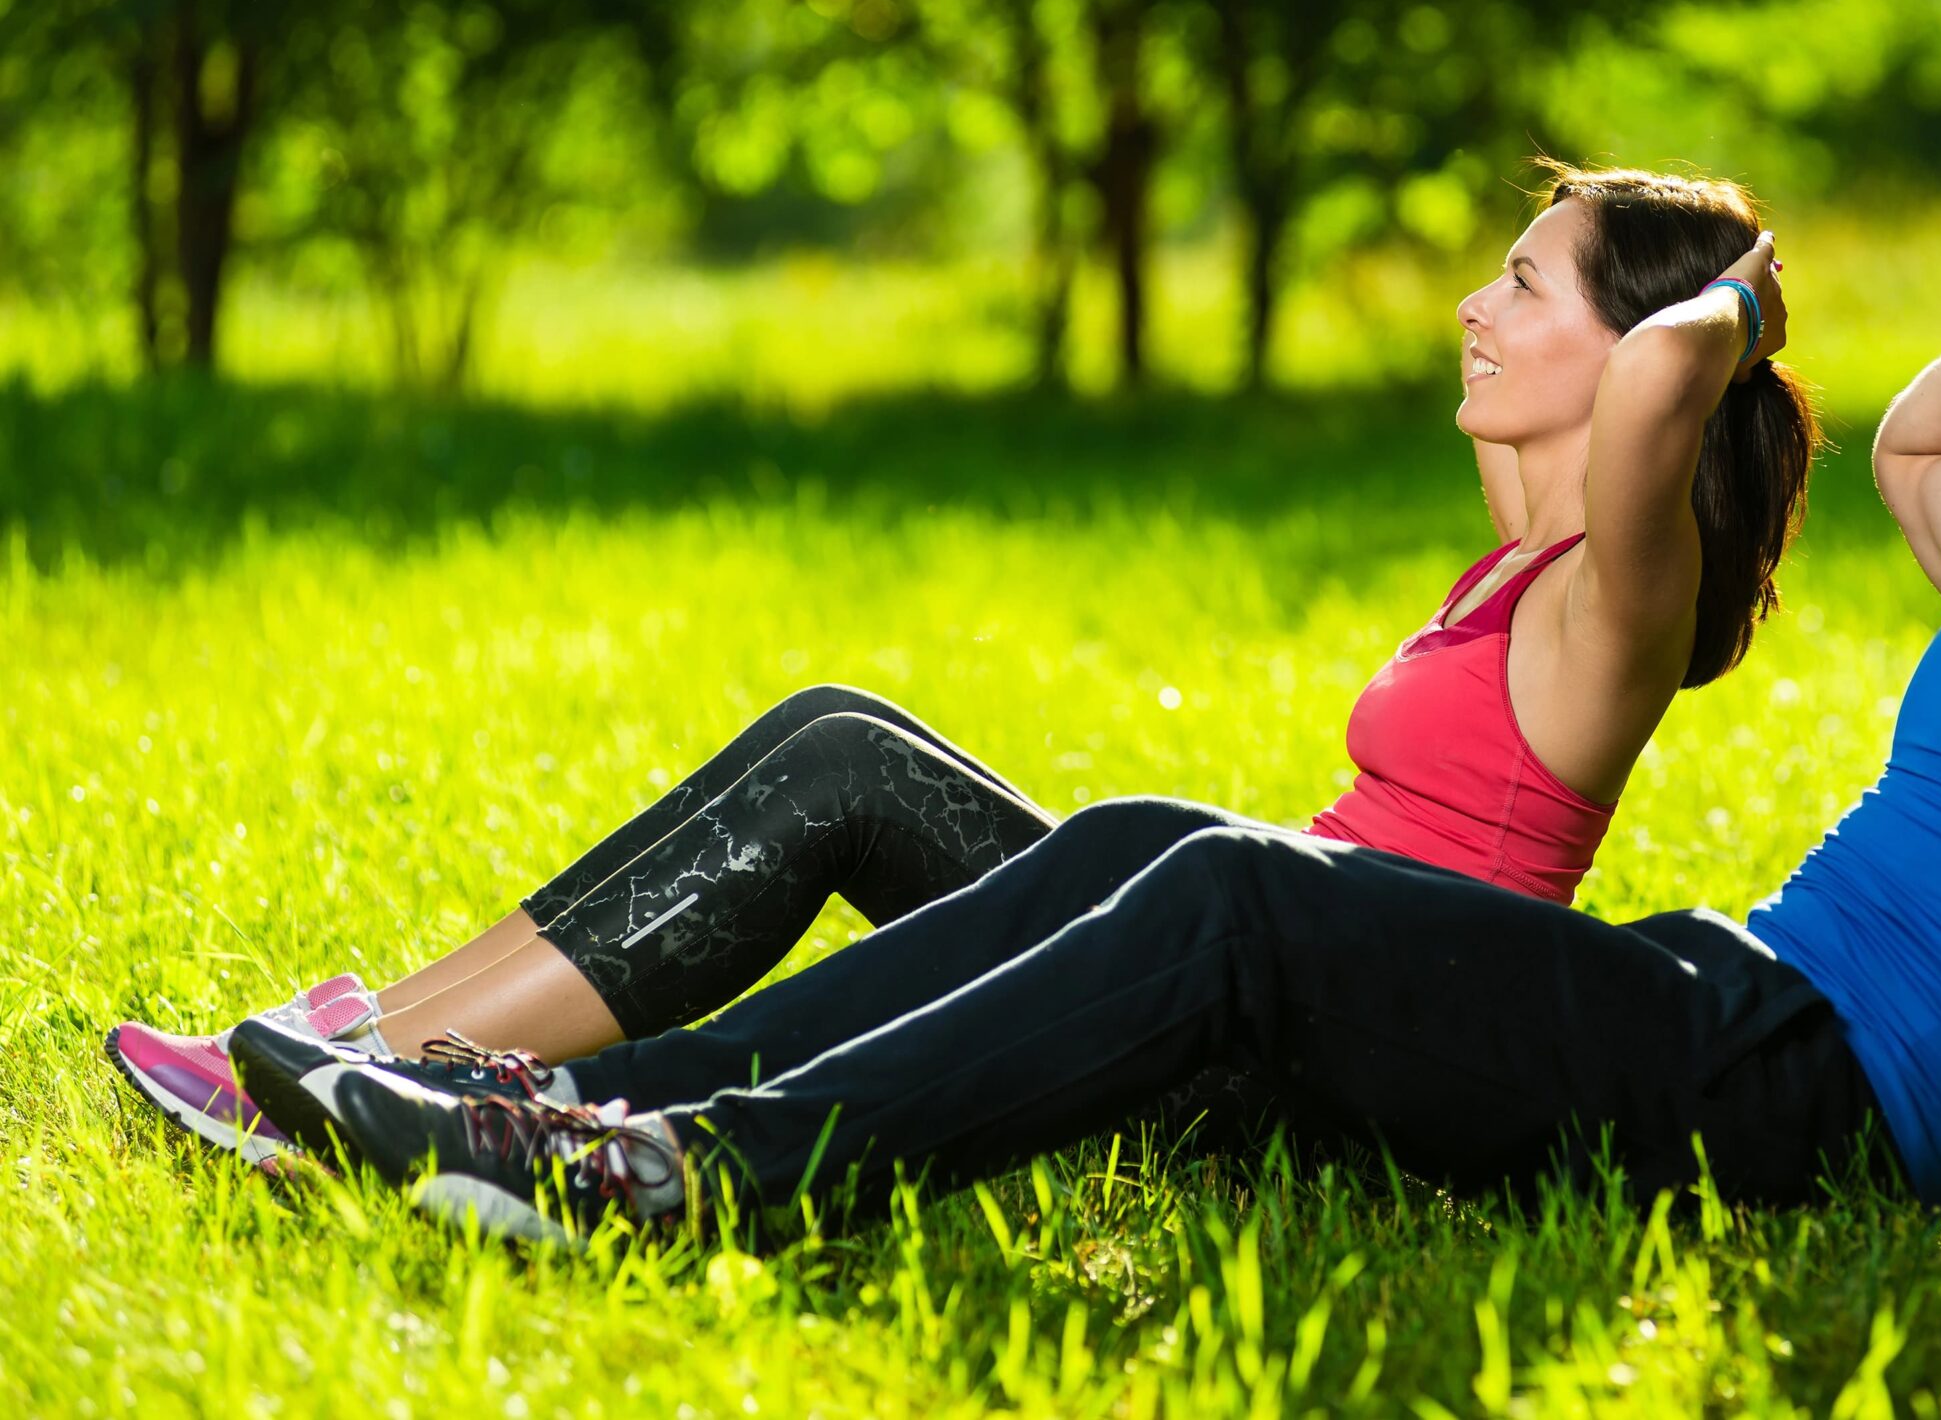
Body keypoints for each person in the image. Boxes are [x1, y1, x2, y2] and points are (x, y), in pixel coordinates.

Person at [230, 184, 1941, 1244]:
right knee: (1137, 838)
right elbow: (1920, 440)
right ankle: (580, 1103)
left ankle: (690, 1180)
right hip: (1724, 991)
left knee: (1233, 899)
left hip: (1826, 1102)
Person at [111, 163, 1818, 1172]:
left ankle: (401, 1090)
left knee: (851, 776)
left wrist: (1738, 299)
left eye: (1518, 285)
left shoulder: (1619, 612)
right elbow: (1574, 410)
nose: (1469, 303)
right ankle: (372, 1050)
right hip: (1234, 981)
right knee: (843, 737)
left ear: (1630, 358)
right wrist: (1566, 329)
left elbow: (1662, 388)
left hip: (1288, 1060)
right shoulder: (1518, 557)